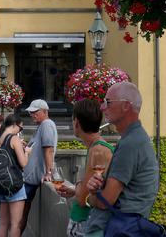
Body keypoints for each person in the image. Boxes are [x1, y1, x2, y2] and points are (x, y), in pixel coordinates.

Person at [85, 82, 159, 237]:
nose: (102, 107)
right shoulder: (135, 138)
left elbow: (106, 201)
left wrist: (92, 197)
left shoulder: (131, 143)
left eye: (108, 102)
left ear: (126, 106)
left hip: (115, 229)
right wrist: (95, 187)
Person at [54, 99, 114, 236]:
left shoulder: (98, 150)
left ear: (77, 123)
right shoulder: (97, 147)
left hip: (86, 223)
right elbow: (92, 190)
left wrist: (78, 188)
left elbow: (83, 198)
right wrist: (75, 190)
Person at [19, 99, 57, 234]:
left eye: (35, 112)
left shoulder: (46, 124)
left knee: (20, 216)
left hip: (31, 179)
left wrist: (48, 172)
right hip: (30, 178)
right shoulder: (43, 125)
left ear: (45, 111)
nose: (32, 115)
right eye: (31, 112)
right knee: (20, 215)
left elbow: (49, 150)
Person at [0, 114, 29, 237]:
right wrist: (27, 152)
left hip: (1, 185)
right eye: (20, 128)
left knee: (3, 224)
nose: (20, 130)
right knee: (15, 224)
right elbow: (23, 163)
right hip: (15, 185)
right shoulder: (14, 139)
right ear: (14, 125)